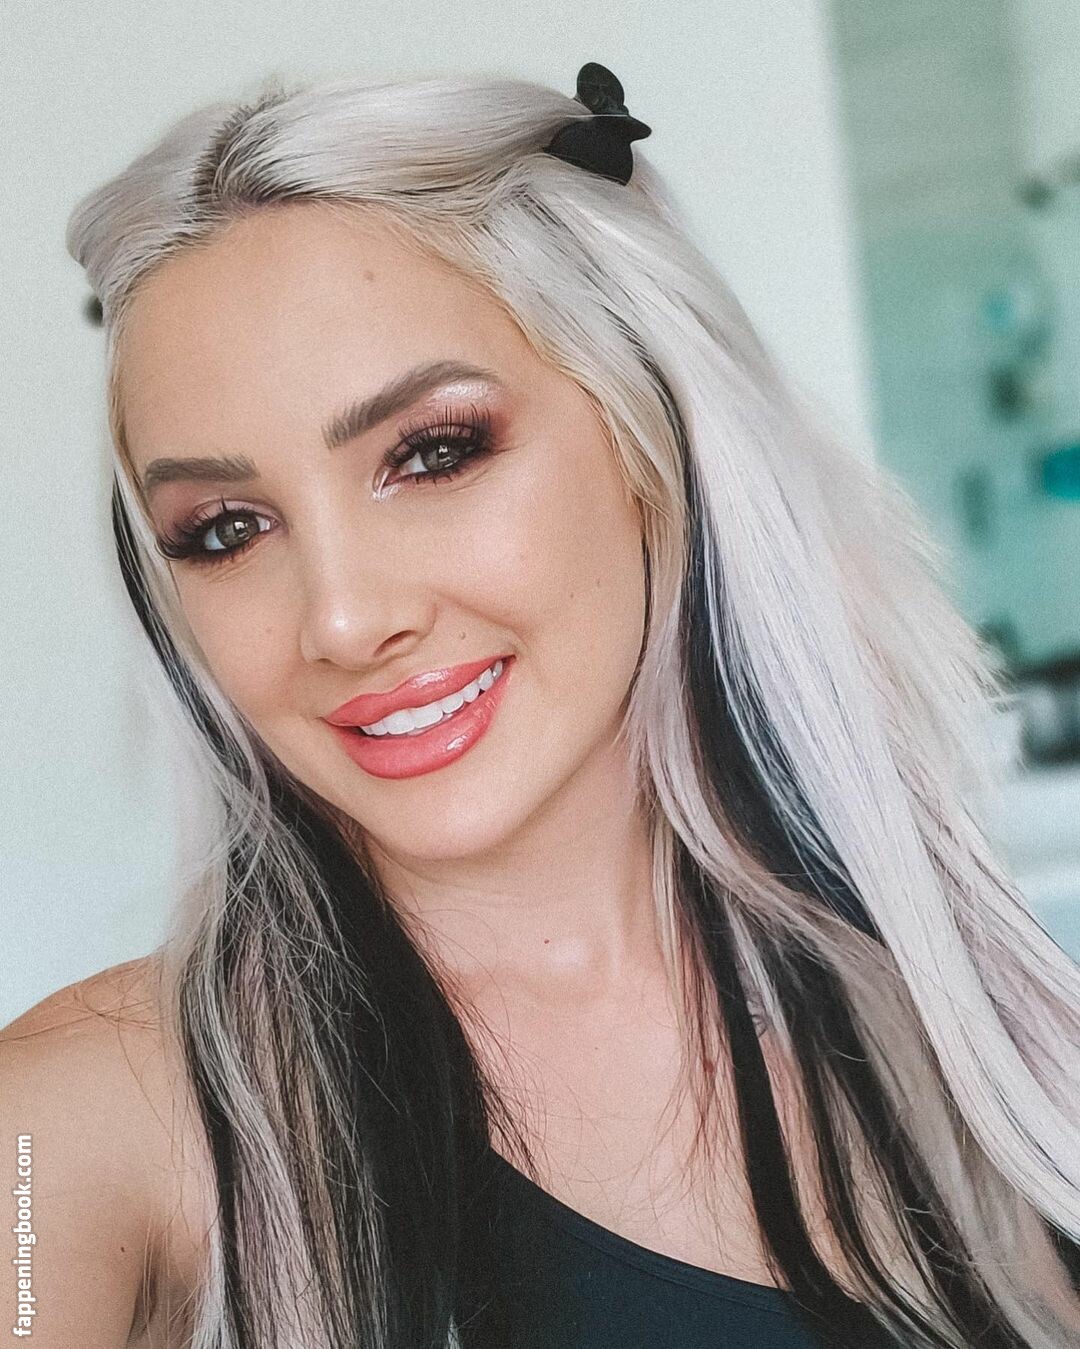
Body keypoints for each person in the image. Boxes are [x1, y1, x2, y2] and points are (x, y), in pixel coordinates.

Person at [2, 61, 1079, 1349]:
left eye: (432, 454)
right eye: (227, 529)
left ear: (650, 440)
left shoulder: (962, 1003)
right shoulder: (78, 1125)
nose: (342, 620)